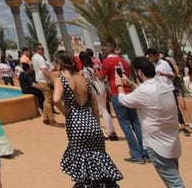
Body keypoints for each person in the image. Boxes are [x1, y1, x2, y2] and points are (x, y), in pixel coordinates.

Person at [52, 51, 122, 188]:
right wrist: (96, 125)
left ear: (59, 63)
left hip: (76, 123)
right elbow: (95, 108)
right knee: (99, 160)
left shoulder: (61, 79)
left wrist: (65, 111)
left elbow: (56, 99)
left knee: (82, 164)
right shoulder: (84, 78)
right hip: (91, 122)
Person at [118, 56, 185, 188]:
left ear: (139, 72)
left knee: (175, 184)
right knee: (173, 176)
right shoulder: (163, 85)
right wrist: (131, 84)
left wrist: (119, 84)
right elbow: (145, 92)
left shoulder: (144, 91)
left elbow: (124, 100)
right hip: (172, 141)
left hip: (157, 144)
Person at [101, 45, 145, 163]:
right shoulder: (124, 61)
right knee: (136, 123)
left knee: (125, 125)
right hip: (129, 92)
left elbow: (101, 76)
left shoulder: (108, 61)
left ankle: (136, 154)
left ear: (105, 51)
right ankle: (144, 151)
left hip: (117, 93)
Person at [30, 45, 55, 125]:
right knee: (48, 99)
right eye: (42, 49)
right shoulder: (40, 58)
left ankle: (46, 117)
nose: (44, 50)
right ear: (38, 50)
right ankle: (51, 119)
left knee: (46, 98)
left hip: (39, 79)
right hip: (43, 80)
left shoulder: (34, 57)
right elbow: (44, 70)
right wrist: (51, 80)